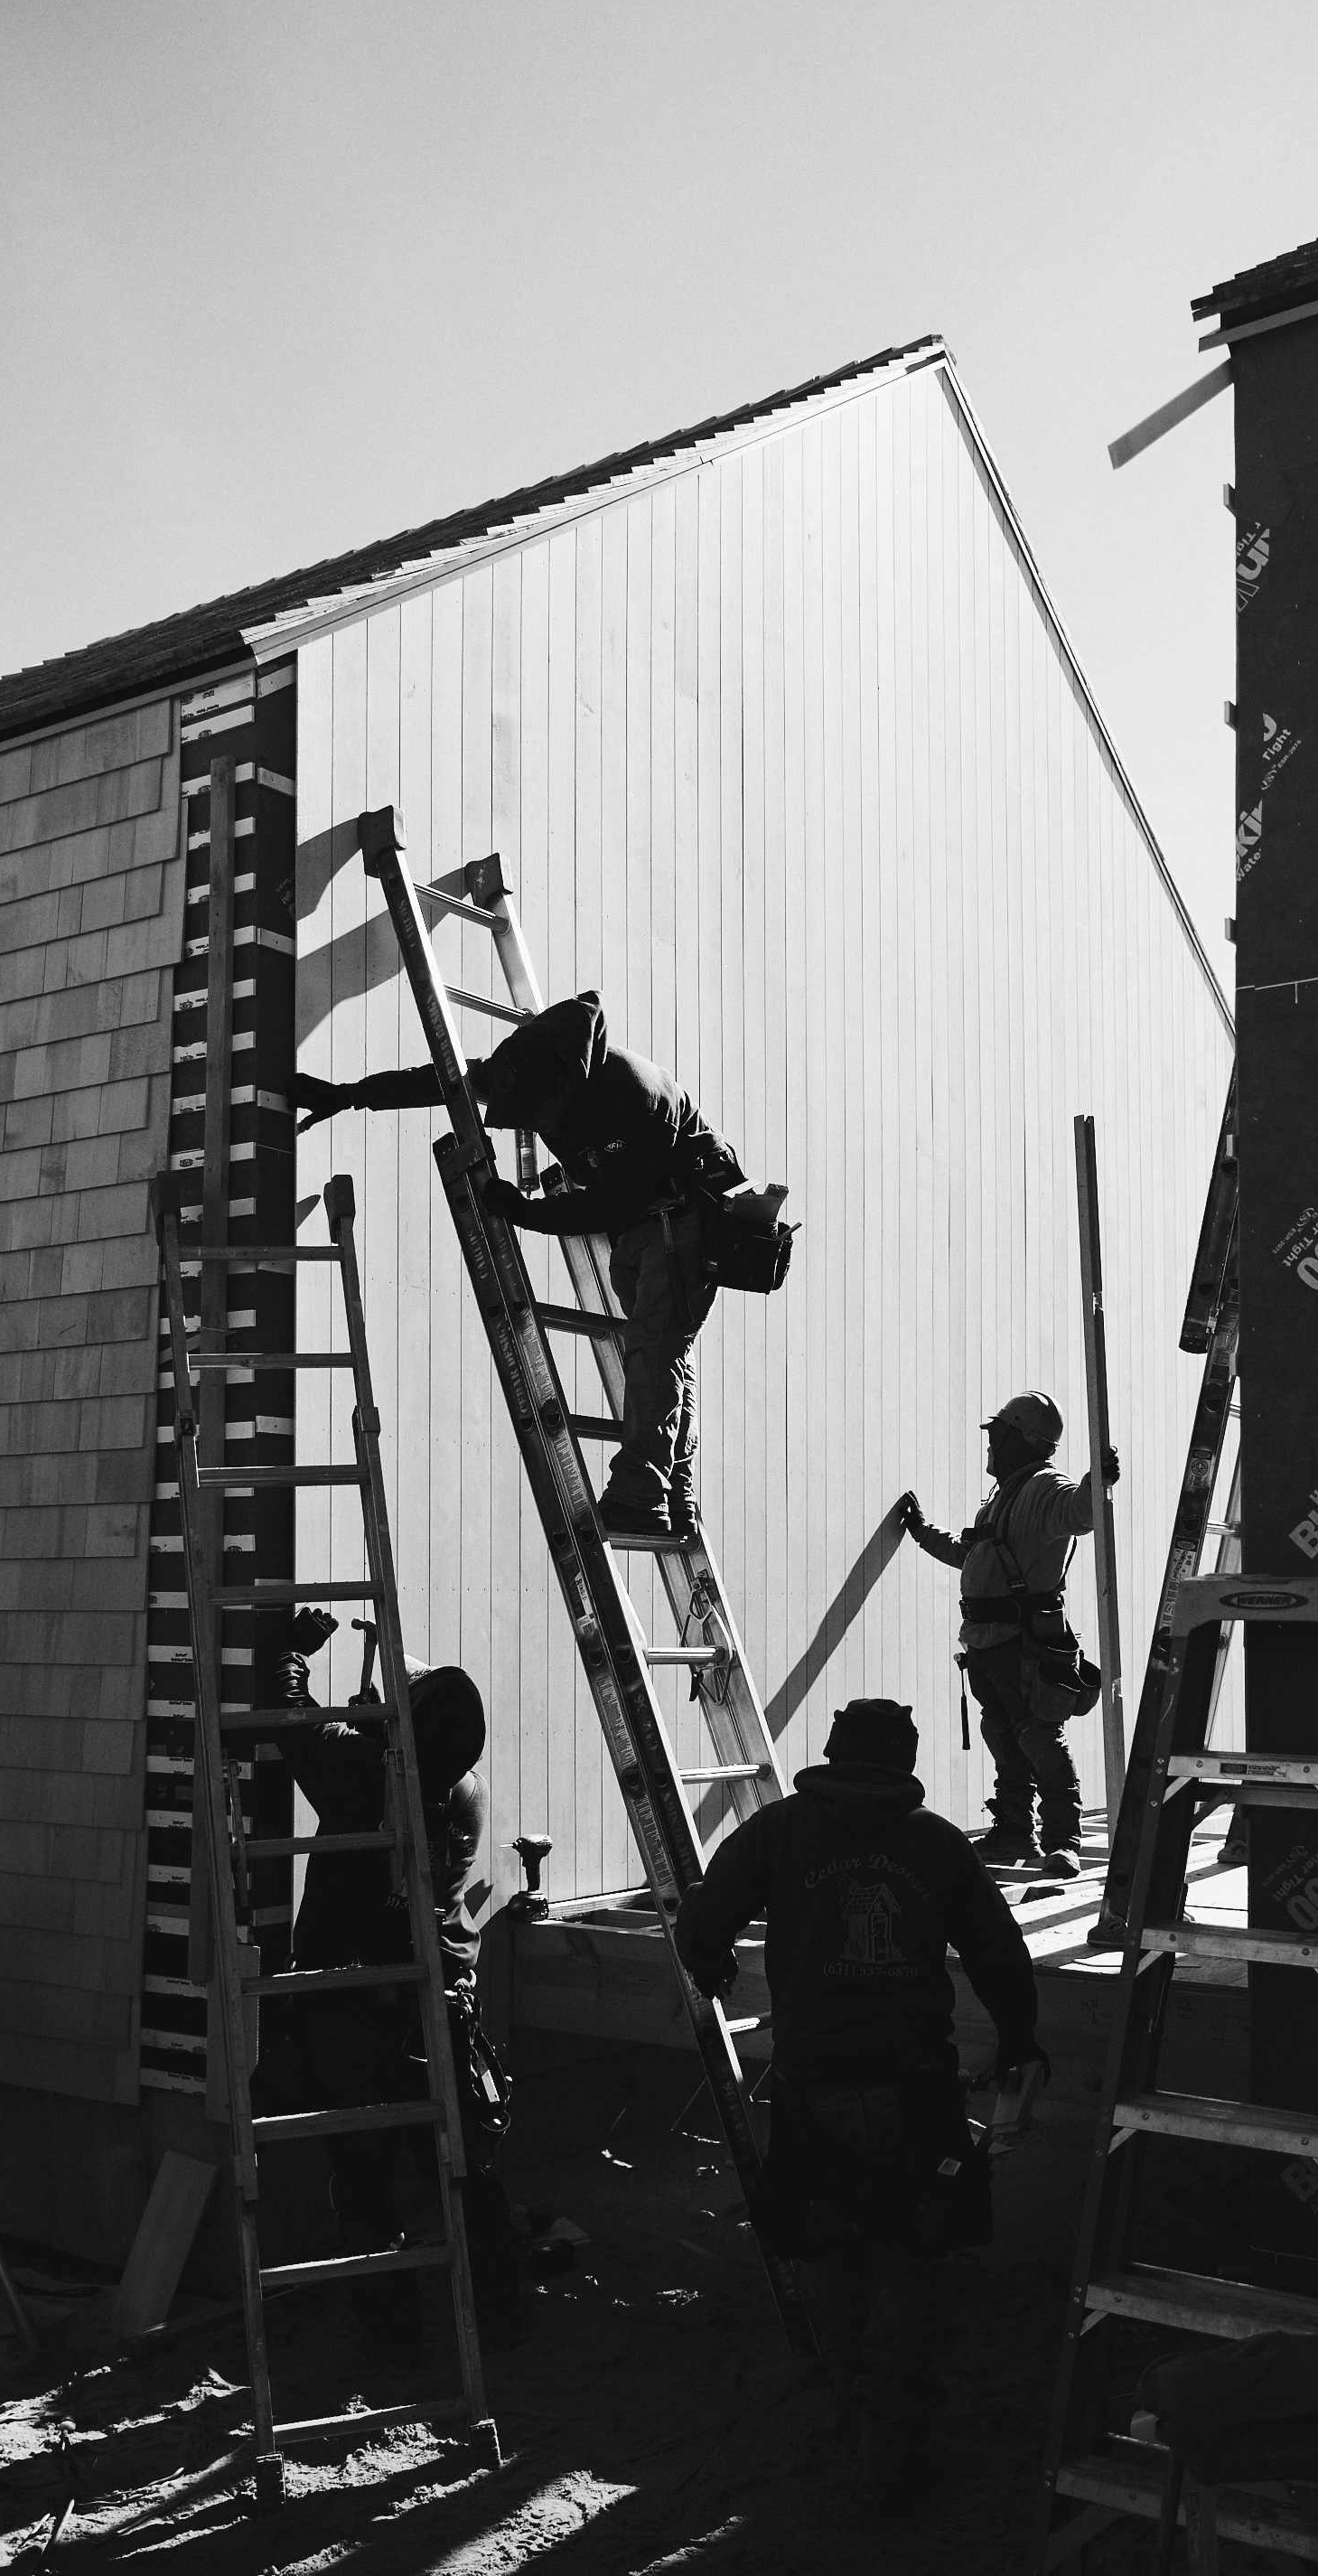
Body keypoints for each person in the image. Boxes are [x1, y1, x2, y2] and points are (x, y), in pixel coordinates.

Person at [672, 1698, 1045, 2508]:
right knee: (909, 2253)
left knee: (828, 2243)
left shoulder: (778, 1833)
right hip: (914, 2087)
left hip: (816, 2085)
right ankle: (893, 2447)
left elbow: (702, 1921)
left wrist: (713, 1971)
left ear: (833, 1753)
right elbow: (998, 1953)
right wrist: (1018, 2040)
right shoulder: (936, 1844)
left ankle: (847, 2393)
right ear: (904, 1763)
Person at [295, 916, 743, 1541]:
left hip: (682, 1221)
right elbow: (446, 1085)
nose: (527, 1124)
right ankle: (674, 1499)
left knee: (653, 1355)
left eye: (534, 1116)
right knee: (661, 1357)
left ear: (562, 1089)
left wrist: (521, 1209)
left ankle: (643, 1498)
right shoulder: (533, 1067)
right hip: (645, 1224)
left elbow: (603, 1208)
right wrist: (351, 1094)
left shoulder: (627, 1097)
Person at [255, 1610, 529, 2356]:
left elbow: (296, 1723)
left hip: (358, 2010)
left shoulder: (361, 1775)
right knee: (465, 2173)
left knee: (365, 2176)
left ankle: (393, 2337)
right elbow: (394, 1741)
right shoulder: (464, 1789)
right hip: (438, 2010)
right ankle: (502, 2315)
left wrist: (287, 1649)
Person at [897, 1391, 1119, 1877]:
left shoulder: (1044, 1489)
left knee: (1038, 1736)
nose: (991, 1445)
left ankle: (1063, 1839)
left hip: (1023, 1642)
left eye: (998, 1435)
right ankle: (1014, 1832)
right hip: (987, 1641)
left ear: (1022, 1438)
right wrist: (921, 1531)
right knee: (1004, 1736)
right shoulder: (1004, 1497)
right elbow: (970, 1554)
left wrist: (1098, 1480)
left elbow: (1082, 1512)